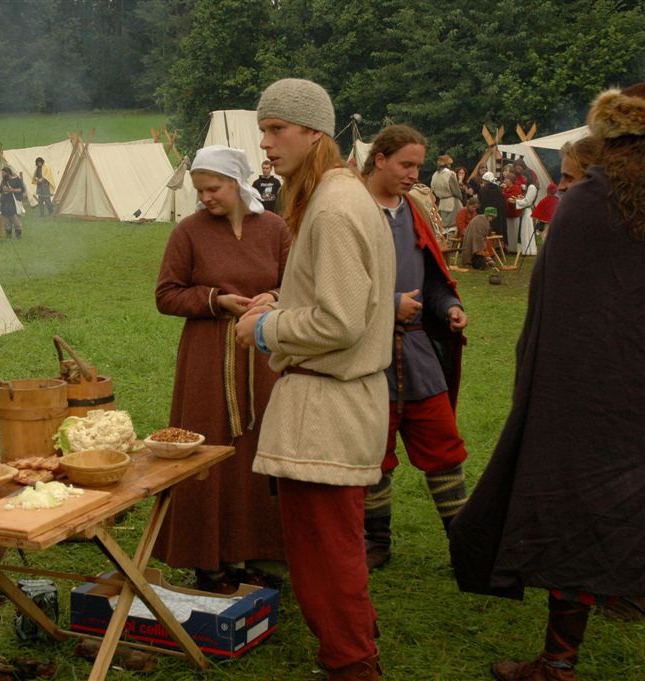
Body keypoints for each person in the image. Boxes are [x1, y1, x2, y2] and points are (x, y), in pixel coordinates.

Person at [449, 81, 645, 681]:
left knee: (576, 508)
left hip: (584, 392)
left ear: (611, 138)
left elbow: (550, 312)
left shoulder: (583, 204)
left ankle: (558, 662)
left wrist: (538, 382)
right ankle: (628, 594)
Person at [235, 77, 395, 681]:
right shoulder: (339, 195)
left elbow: (340, 321)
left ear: (313, 132)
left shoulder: (332, 206)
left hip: (326, 408)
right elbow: (347, 298)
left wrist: (265, 328)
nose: (266, 143)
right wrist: (284, 299)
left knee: (324, 553)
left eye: (277, 129)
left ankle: (352, 665)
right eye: (264, 131)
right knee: (335, 545)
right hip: (334, 402)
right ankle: (356, 642)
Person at [153, 145, 289, 594]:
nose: (205, 197)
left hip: (265, 353)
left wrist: (274, 297)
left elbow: (297, 282)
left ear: (236, 183)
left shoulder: (274, 228)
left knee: (260, 446)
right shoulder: (188, 232)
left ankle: (259, 554)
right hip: (209, 357)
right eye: (200, 190)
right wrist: (216, 300)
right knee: (207, 449)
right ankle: (207, 560)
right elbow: (166, 294)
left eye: (213, 188)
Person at [359, 125, 470, 571]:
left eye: (418, 166)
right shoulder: (351, 209)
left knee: (443, 446)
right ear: (379, 159)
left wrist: (449, 307)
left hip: (418, 353)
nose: (413, 174)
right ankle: (375, 542)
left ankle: (464, 542)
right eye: (406, 164)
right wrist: (389, 304)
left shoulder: (415, 210)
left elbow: (432, 280)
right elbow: (330, 286)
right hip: (366, 355)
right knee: (373, 454)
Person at [431, 154, 464, 227]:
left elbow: (433, 188)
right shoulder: (450, 174)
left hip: (441, 202)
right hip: (452, 203)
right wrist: (461, 197)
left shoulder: (435, 175)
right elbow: (456, 190)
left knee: (444, 225)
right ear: (448, 165)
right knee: (455, 224)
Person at [461, 206, 495, 270]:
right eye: (491, 217)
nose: (492, 219)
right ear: (488, 215)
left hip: (473, 235)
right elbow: (483, 233)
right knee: (480, 246)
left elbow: (485, 231)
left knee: (481, 245)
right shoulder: (482, 220)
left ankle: (483, 260)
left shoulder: (481, 218)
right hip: (475, 236)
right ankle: (480, 261)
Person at [478, 171, 508, 238]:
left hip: (487, 215)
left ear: (485, 181)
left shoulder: (482, 190)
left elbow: (480, 203)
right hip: (498, 216)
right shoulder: (499, 190)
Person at [0, 165, 25, 238]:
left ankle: (18, 236)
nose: (2, 175)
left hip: (13, 202)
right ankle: (8, 237)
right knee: (6, 219)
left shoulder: (17, 179)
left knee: (14, 218)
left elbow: (21, 189)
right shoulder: (4, 181)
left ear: (8, 173)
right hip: (4, 202)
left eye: (3, 173)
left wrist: (12, 190)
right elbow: (0, 190)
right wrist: (4, 189)